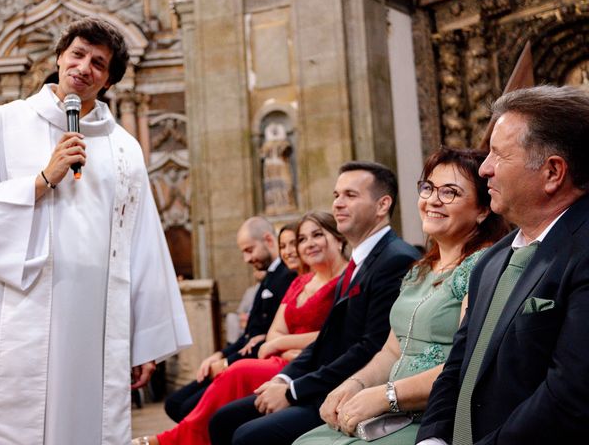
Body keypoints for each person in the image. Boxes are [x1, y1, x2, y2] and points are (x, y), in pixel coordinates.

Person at [0, 17, 191, 444]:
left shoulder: (124, 148)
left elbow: (144, 243)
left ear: (110, 80)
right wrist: (40, 182)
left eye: (99, 63)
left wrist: (143, 338)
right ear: (60, 56)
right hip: (21, 305)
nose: (84, 67)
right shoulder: (0, 123)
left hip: (96, 319)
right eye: (77, 54)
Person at [292, 148, 509, 445]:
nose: (433, 200)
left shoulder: (483, 268)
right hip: (388, 412)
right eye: (428, 188)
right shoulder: (419, 269)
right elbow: (392, 352)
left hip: (436, 419)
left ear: (483, 210)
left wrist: (386, 396)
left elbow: (468, 366)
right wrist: (355, 384)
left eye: (450, 193)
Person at [416, 85, 589, 445]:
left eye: (498, 155)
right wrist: (432, 438)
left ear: (552, 172)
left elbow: (568, 395)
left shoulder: (583, 251)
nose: (484, 169)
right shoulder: (492, 260)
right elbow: (456, 368)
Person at [209, 161, 421, 445]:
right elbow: (326, 339)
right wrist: (283, 380)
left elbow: (370, 347)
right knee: (223, 419)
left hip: (351, 391)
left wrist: (293, 392)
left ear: (382, 205)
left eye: (350, 195)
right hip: (322, 382)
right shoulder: (360, 261)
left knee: (248, 436)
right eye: (336, 195)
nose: (338, 204)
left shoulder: (395, 259)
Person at [134, 211, 348, 445]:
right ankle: (183, 436)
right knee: (204, 401)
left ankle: (178, 439)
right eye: (302, 239)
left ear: (338, 238)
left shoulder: (345, 279)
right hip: (283, 358)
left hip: (304, 362)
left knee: (237, 373)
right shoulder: (300, 281)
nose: (306, 245)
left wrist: (279, 344)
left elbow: (332, 335)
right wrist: (276, 343)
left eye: (316, 235)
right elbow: (275, 330)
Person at [164, 217, 296, 424]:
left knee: (188, 410)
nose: (245, 259)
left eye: (249, 250)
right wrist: (220, 355)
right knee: (174, 403)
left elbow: (270, 336)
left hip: (260, 360)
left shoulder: (287, 276)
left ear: (268, 240)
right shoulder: (269, 276)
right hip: (245, 354)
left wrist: (227, 363)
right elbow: (250, 335)